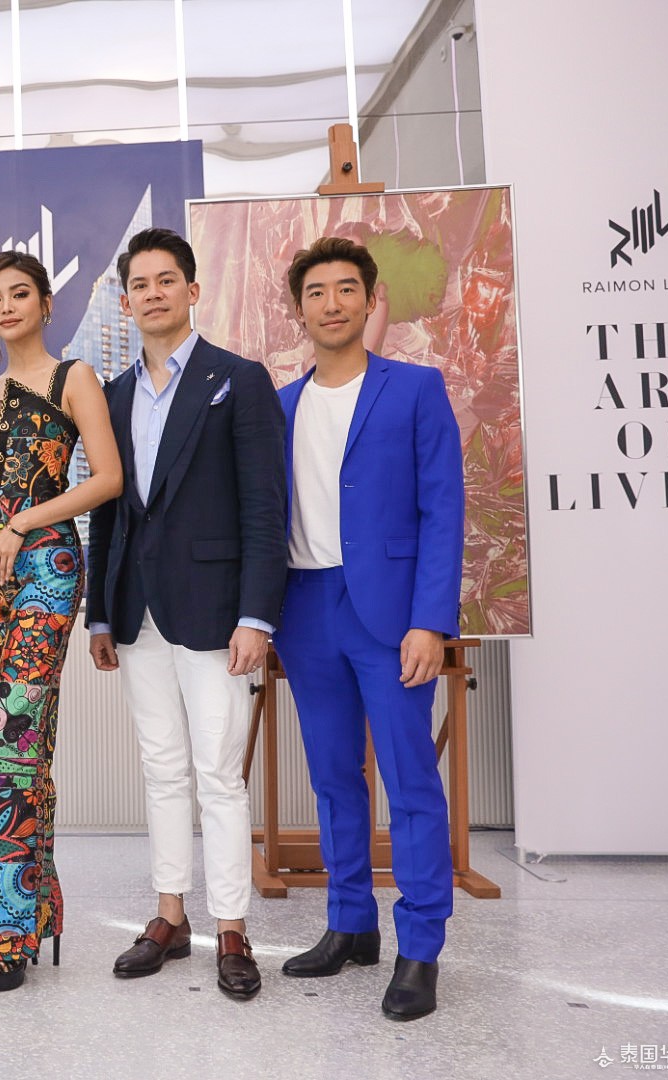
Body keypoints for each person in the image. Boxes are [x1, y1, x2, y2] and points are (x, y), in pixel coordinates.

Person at [84, 228, 287, 999]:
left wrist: (256, 616)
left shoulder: (238, 380)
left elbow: (264, 508)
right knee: (162, 768)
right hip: (136, 614)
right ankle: (168, 916)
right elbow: (108, 510)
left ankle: (231, 928)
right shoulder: (114, 394)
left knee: (218, 775)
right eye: (139, 284)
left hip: (215, 613)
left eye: (166, 280)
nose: (153, 294)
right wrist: (99, 615)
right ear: (126, 301)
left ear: (192, 291)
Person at [272, 237, 463, 1021]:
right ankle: (350, 924)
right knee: (331, 777)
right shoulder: (280, 405)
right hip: (304, 609)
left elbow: (443, 510)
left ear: (370, 298)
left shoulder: (415, 389)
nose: (332, 303)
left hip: (390, 616)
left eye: (346, 288)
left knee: (410, 781)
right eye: (316, 292)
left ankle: (420, 947)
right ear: (299, 308)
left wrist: (430, 622)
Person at [0, 250, 122, 991]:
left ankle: (9, 927)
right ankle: (42, 894)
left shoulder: (71, 378)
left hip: (46, 567)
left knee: (12, 737)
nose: (8, 306)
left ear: (46, 304)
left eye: (21, 294)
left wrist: (21, 523)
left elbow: (107, 478)